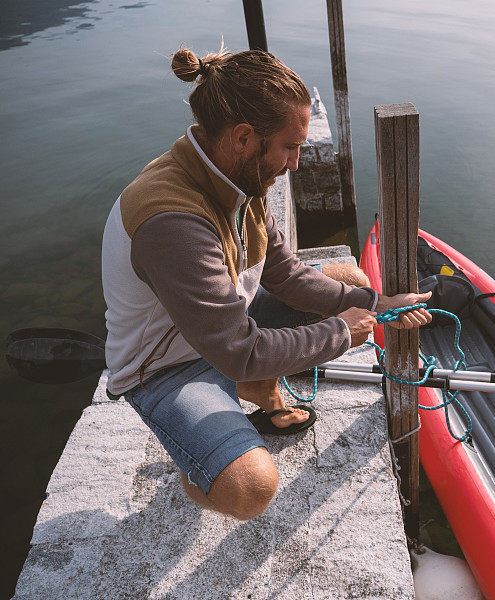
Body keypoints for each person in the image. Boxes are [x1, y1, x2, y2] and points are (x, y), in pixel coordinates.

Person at [101, 45, 431, 521]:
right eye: (289, 147)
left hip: (218, 327)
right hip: (167, 367)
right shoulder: (173, 221)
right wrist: (343, 332)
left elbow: (285, 274)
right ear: (244, 137)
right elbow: (239, 349)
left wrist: (376, 303)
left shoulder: (238, 174)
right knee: (251, 489)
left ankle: (254, 390)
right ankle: (199, 462)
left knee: (350, 279)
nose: (296, 162)